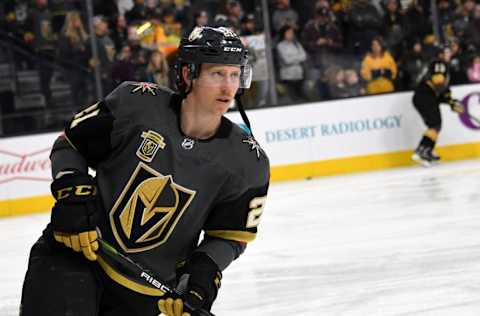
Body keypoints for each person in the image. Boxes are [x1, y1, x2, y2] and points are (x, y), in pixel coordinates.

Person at [20, 26, 270, 316]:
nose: (229, 88)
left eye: (234, 74)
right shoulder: (135, 103)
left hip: (141, 295)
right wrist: (72, 194)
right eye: (217, 74)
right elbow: (70, 145)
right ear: (188, 75)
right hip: (74, 257)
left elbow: (229, 236)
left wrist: (202, 275)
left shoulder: (248, 162)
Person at [411, 46, 464, 166]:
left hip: (424, 96)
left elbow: (439, 91)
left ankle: (428, 150)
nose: (448, 54)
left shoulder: (440, 65)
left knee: (435, 125)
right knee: (435, 124)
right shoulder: (440, 63)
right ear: (440, 54)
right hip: (425, 96)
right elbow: (438, 81)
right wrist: (450, 100)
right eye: (446, 52)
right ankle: (422, 150)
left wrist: (450, 101)